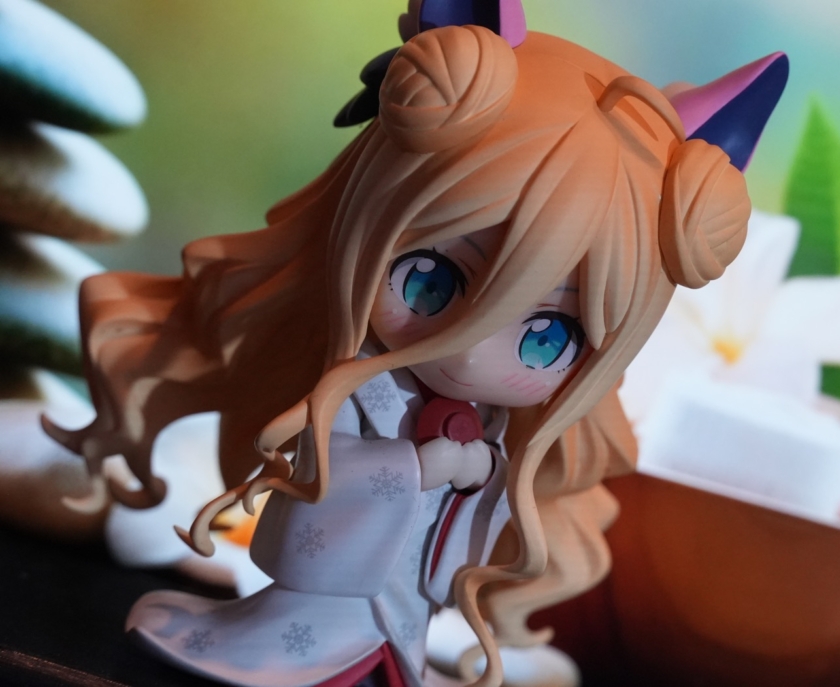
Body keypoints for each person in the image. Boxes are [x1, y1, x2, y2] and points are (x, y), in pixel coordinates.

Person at [44, 1, 787, 685]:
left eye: (546, 337)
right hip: (315, 613)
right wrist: (423, 465)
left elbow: (472, 523)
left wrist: (483, 475)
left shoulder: (498, 422)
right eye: (429, 279)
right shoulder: (355, 384)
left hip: (402, 616)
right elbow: (325, 476)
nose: (471, 352)